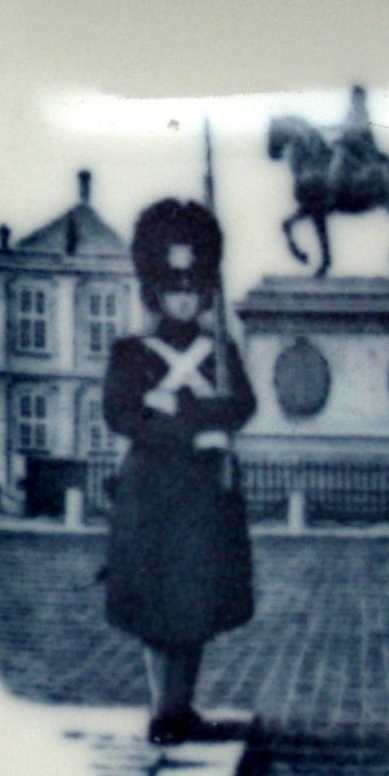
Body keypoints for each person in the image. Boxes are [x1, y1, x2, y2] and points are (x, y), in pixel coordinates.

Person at [102, 199, 258, 746]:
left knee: (195, 604)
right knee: (156, 606)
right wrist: (184, 422)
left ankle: (180, 706)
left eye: (193, 287)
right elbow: (119, 413)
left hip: (202, 492)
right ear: (156, 292)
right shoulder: (130, 353)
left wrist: (181, 409)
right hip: (151, 491)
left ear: (206, 290)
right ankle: (162, 711)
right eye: (174, 288)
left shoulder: (221, 350)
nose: (184, 298)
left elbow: (242, 405)